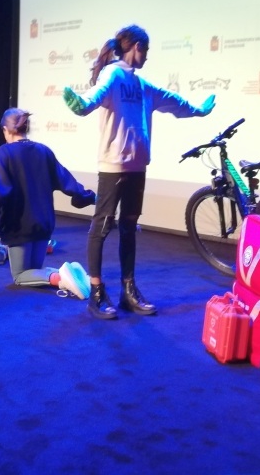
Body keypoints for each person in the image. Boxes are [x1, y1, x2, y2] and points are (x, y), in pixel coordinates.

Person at [63, 24, 216, 320]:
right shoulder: (113, 74)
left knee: (129, 227)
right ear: (136, 47)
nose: (147, 56)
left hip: (137, 166)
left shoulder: (142, 84)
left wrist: (197, 110)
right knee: (102, 226)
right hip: (114, 165)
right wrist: (80, 105)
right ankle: (96, 293)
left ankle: (128, 290)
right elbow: (95, 96)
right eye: (146, 50)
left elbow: (172, 101)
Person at [0, 108, 96, 299]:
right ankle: (74, 276)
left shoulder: (5, 153)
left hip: (19, 227)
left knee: (20, 276)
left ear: (6, 130)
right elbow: (66, 180)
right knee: (35, 272)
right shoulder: (44, 151)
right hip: (43, 224)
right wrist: (90, 197)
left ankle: (60, 277)